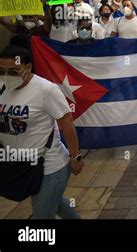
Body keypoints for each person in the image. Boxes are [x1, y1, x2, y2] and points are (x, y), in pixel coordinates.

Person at [0, 36, 84, 218]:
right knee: (57, 205)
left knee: (42, 216)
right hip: (20, 165)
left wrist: (76, 157)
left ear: (28, 67)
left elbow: (67, 123)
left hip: (49, 166)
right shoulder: (1, 87)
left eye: (14, 71)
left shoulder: (46, 90)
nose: (7, 76)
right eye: (2, 71)